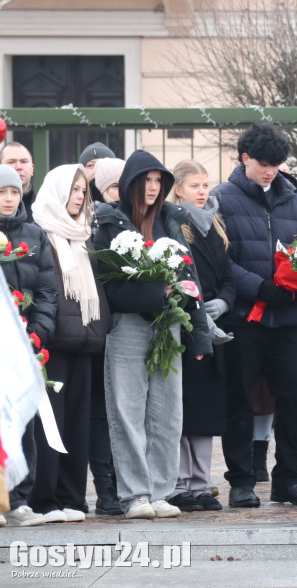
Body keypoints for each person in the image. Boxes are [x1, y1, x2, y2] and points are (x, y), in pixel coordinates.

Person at [91, 150, 211, 520]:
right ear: (130, 184)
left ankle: (161, 491)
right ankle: (135, 495)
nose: (154, 188)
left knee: (167, 413)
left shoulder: (172, 222)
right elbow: (108, 287)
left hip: (169, 326)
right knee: (126, 412)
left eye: (159, 181)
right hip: (126, 327)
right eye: (147, 180)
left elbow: (191, 280)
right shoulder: (110, 225)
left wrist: (200, 334)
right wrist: (157, 293)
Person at [213, 123, 297, 509]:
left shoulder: (293, 201)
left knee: (293, 402)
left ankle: (287, 480)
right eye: (263, 163)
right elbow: (219, 260)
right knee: (238, 402)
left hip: (287, 320)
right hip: (245, 319)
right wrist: (259, 288)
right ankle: (242, 481)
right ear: (244, 159)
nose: (270, 171)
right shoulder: (221, 199)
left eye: (276, 164)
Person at [28, 164, 111, 523]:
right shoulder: (40, 233)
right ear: (58, 192)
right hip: (53, 342)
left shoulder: (83, 235)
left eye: (83, 191)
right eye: (74, 190)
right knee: (51, 423)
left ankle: (73, 498)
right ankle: (44, 499)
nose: (80, 197)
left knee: (77, 422)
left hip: (85, 341)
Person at [168, 161, 235, 512]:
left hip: (213, 328)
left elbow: (228, 273)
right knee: (183, 408)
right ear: (178, 188)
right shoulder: (172, 223)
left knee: (206, 409)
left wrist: (223, 303)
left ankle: (200, 480)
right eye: (195, 185)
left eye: (206, 184)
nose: (202, 191)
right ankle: (180, 483)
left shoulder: (215, 227)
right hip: (184, 327)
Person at [0, 164, 57, 527]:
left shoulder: (34, 235)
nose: (8, 199)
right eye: (2, 192)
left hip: (24, 343)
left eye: (14, 192)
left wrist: (37, 331)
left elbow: (48, 292)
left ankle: (19, 500)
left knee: (25, 421)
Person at [85, 155, 125, 516]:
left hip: (124, 329)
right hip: (96, 332)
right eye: (113, 186)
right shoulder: (91, 227)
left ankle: (125, 486)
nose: (119, 193)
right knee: (99, 413)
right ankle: (106, 490)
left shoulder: (135, 220)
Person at [1, 141, 36, 221]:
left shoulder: (44, 209)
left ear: (32, 169)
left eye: (24, 162)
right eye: (11, 162)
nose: (19, 167)